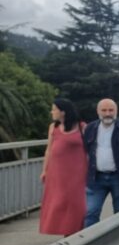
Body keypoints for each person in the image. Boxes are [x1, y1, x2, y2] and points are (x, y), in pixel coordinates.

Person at [83, 99, 119, 228]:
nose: (107, 113)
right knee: (91, 212)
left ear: (116, 111)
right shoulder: (90, 128)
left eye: (111, 110)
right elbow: (86, 149)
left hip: (118, 178)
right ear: (98, 111)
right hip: (96, 178)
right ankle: (90, 244)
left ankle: (118, 244)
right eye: (104, 110)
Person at [39, 98, 88, 236]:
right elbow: (48, 149)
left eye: (54, 109)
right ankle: (65, 231)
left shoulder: (82, 126)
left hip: (77, 171)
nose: (52, 112)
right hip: (57, 172)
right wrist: (45, 170)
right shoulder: (53, 127)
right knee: (59, 202)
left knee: (76, 202)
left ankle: (77, 230)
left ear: (63, 112)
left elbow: (90, 148)